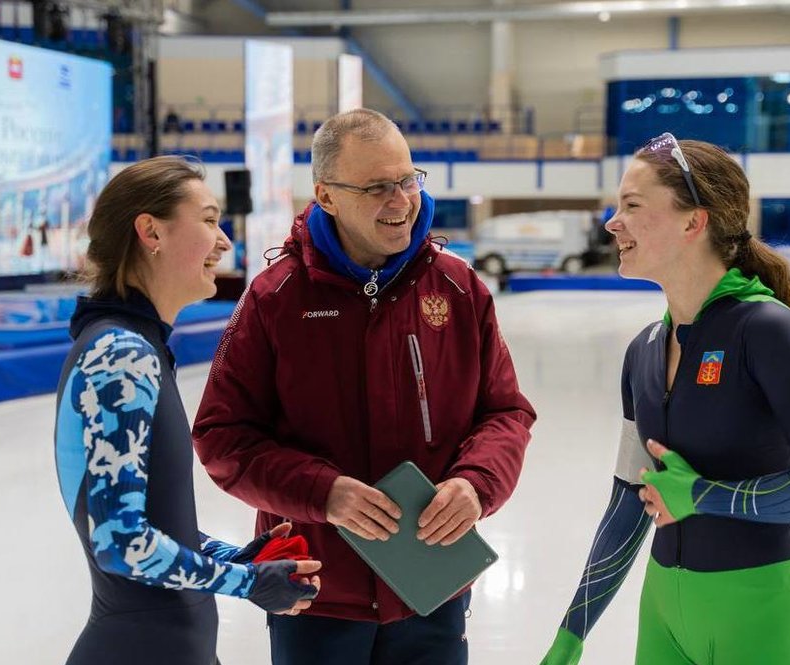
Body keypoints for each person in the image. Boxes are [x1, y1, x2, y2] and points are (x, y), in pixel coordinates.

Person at [192, 108, 536, 665]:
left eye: (407, 180)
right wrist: (322, 493)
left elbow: (506, 413)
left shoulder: (458, 288)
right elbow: (221, 437)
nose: (401, 201)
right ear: (326, 196)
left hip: (433, 585)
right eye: (377, 187)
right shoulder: (276, 299)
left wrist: (476, 484)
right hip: (316, 592)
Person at [540, 134, 790, 665]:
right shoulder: (643, 352)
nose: (612, 223)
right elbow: (629, 500)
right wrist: (573, 631)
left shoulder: (766, 329)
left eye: (632, 206)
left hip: (769, 621)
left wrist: (704, 495)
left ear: (694, 221)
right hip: (664, 621)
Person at [53, 156, 322, 665]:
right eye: (208, 220)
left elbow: (153, 521)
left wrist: (232, 555)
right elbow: (120, 542)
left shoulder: (135, 347)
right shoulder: (120, 355)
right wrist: (247, 582)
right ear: (151, 232)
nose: (224, 242)